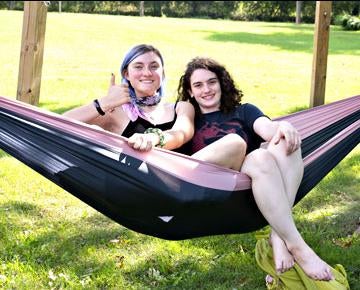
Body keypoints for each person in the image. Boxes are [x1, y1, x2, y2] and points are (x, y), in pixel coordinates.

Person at [177, 57, 334, 281]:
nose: (207, 90)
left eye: (212, 82)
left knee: (283, 145)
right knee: (235, 143)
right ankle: (296, 245)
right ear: (190, 92)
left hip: (249, 182)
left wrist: (284, 126)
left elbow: (269, 130)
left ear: (221, 83)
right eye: (198, 85)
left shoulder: (244, 111)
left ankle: (279, 237)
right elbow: (174, 134)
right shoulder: (190, 116)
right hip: (209, 182)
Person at [63, 44, 194, 153]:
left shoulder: (181, 108)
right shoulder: (116, 113)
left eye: (154, 66)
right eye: (138, 66)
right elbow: (58, 125)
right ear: (127, 74)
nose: (147, 73)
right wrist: (105, 103)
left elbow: (181, 134)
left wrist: (154, 138)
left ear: (163, 72)